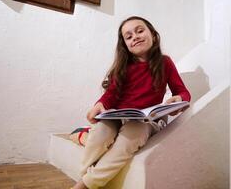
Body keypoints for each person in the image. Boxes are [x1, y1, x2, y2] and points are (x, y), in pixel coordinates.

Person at [72, 16, 191, 189]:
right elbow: (110, 95)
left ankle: (84, 185)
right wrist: (99, 104)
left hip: (145, 121)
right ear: (125, 45)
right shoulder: (123, 67)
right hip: (119, 117)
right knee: (100, 132)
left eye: (140, 31)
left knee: (133, 132)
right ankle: (84, 174)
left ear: (154, 35)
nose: (134, 36)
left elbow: (183, 92)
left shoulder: (165, 62)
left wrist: (178, 100)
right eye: (128, 36)